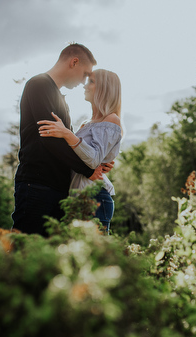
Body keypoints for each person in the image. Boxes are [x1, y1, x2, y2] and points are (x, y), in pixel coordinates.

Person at [12, 43, 104, 236]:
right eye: (85, 73)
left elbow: (68, 142)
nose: (84, 81)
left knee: (48, 259)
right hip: (36, 184)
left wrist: (96, 160)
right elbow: (49, 138)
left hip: (58, 188)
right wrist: (88, 170)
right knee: (25, 254)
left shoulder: (60, 98)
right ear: (74, 62)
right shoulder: (39, 85)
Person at [38, 69, 123, 234]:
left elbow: (93, 160)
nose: (85, 86)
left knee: (95, 255)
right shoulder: (87, 123)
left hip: (95, 198)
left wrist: (66, 133)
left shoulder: (111, 119)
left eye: (91, 81)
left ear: (104, 88)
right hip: (78, 198)